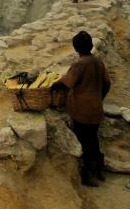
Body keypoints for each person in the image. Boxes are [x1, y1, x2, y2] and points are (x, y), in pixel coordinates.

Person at [53, 31, 110, 187]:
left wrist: (51, 85)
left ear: (76, 48)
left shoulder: (79, 64)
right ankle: (99, 169)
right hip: (96, 109)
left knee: (84, 141)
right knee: (93, 139)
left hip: (82, 112)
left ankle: (87, 175)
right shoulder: (98, 62)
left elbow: (66, 83)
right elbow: (107, 84)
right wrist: (99, 98)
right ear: (91, 45)